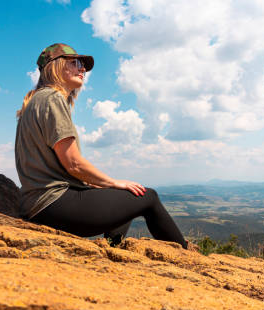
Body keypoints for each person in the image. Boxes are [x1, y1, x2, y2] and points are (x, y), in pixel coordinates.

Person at [15, 43, 187, 249]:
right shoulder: (52, 98)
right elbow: (73, 164)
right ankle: (187, 258)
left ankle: (113, 251)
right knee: (147, 196)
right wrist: (113, 182)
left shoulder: (36, 101)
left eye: (83, 66)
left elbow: (58, 167)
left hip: (41, 205)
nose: (82, 70)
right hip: (53, 204)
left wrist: (104, 185)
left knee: (125, 196)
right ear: (56, 66)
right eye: (76, 63)